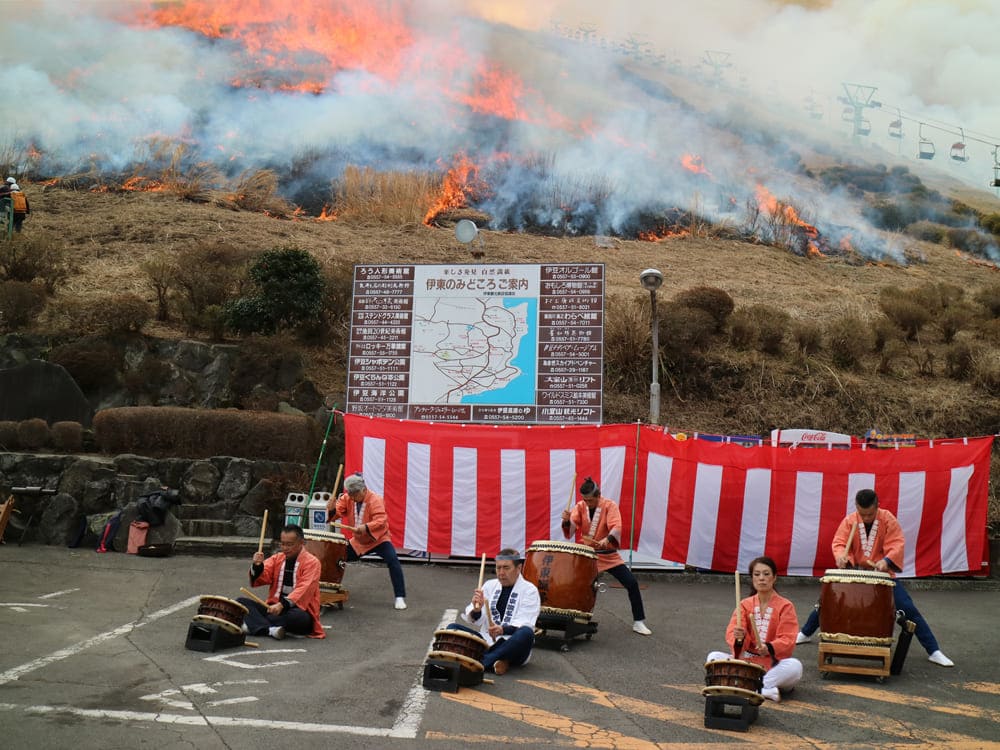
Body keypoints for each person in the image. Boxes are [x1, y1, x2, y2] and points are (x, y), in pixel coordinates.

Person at [795, 489, 953, 667]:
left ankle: (933, 650)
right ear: (856, 508)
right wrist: (842, 557)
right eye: (862, 514)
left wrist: (886, 561)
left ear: (877, 507)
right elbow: (839, 542)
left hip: (882, 574)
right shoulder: (850, 521)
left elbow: (896, 543)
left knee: (907, 608)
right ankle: (806, 633)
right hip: (855, 572)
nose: (866, 518)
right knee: (829, 601)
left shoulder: (887, 519)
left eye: (870, 514)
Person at [561, 476, 652, 635]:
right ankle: (577, 619)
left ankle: (638, 621)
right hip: (588, 554)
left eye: (590, 500)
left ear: (598, 496)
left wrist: (607, 539)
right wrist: (567, 521)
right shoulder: (580, 506)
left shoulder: (610, 506)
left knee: (631, 583)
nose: (587, 503)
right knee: (580, 586)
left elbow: (616, 526)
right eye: (585, 500)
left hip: (608, 554)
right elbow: (570, 532)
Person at [706, 556, 803, 702]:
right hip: (748, 662)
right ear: (752, 578)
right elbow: (734, 637)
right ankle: (763, 688)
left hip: (773, 663)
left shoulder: (785, 606)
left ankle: (753, 685)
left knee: (795, 667)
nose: (761, 578)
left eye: (766, 574)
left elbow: (788, 639)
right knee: (713, 656)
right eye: (757, 575)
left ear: (774, 577)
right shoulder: (745, 605)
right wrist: (739, 638)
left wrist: (769, 647)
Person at [329, 472, 407, 609]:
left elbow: (381, 520)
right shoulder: (348, 498)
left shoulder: (375, 499)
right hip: (359, 541)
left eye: (355, 494)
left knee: (393, 561)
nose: (352, 498)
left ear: (363, 490)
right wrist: (331, 509)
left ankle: (399, 597)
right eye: (350, 494)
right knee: (337, 558)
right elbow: (338, 512)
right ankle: (330, 589)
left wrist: (365, 527)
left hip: (379, 539)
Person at [457, 548, 541, 675]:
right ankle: (499, 661)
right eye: (498, 568)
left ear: (519, 568)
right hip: (486, 640)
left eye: (506, 568)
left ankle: (481, 662)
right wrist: (476, 610)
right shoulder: (489, 585)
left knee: (527, 633)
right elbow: (477, 620)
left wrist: (502, 630)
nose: (501, 572)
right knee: (453, 628)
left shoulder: (530, 590)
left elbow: (525, 622)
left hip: (511, 643)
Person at [237, 523, 324, 640]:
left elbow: (304, 589)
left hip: (296, 611)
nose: (285, 548)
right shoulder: (277, 558)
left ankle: (256, 624)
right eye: (282, 544)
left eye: (289, 544)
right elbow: (263, 576)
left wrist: (282, 605)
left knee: (299, 618)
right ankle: (269, 630)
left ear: (302, 543)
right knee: (241, 603)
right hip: (274, 609)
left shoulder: (312, 562)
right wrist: (257, 566)